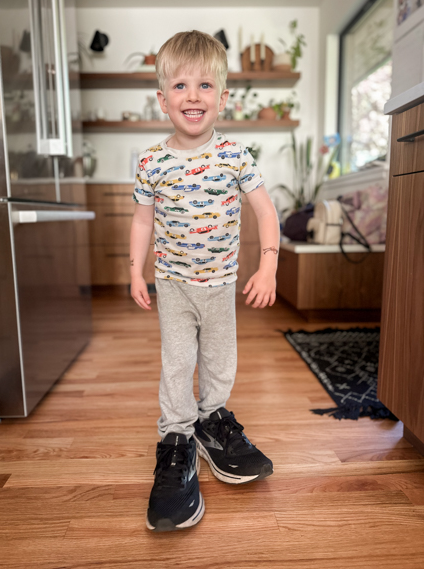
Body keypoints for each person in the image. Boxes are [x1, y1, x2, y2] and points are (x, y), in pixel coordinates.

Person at [130, 30, 280, 532]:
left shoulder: (236, 156)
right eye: (180, 85)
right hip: (172, 285)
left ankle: (212, 422)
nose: (192, 95)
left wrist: (268, 265)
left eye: (205, 85)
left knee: (220, 360)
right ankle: (177, 438)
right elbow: (142, 221)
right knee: (177, 364)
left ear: (223, 97)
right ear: (162, 99)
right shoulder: (151, 162)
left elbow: (266, 211)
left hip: (220, 285)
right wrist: (134, 271)